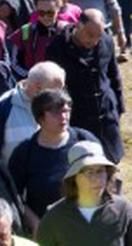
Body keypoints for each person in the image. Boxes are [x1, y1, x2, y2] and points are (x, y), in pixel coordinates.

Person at [5, 90, 95, 229]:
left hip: (86, 225)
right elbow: (12, 195)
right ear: (40, 118)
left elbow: (106, 178)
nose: (63, 117)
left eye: (66, 111)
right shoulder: (25, 152)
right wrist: (35, 224)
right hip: (46, 228)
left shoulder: (84, 140)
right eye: (56, 112)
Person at [49, 11, 126, 164]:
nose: (95, 41)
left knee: (112, 163)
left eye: (99, 36)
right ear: (79, 26)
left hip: (107, 114)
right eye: (90, 35)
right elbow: (54, 90)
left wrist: (119, 106)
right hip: (80, 116)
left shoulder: (106, 41)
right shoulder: (57, 48)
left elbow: (114, 74)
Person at [0, 61, 67, 165]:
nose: (59, 96)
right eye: (54, 90)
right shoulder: (4, 107)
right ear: (37, 87)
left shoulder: (61, 106)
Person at [8, 0, 74, 72]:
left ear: (58, 9)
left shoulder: (68, 30)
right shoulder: (25, 31)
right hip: (33, 80)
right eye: (41, 13)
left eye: (50, 13)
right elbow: (14, 62)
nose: (46, 17)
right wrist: (29, 77)